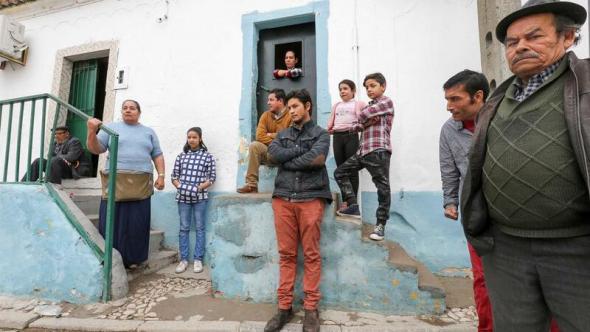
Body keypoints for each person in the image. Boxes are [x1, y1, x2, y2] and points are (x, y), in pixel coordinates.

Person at [460, 0, 590, 330]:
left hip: (576, 248)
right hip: (506, 249)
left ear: (568, 37)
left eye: (534, 36)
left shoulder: (586, 85)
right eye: (513, 42)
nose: (522, 47)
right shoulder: (496, 101)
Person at [264, 89, 331, 332]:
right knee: (286, 255)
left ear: (308, 106)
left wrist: (287, 158)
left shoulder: (322, 134)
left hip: (311, 198)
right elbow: (272, 156)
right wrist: (299, 152)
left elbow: (318, 160)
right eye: (289, 107)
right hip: (283, 198)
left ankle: (311, 309)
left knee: (311, 254)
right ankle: (284, 308)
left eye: (295, 106)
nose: (291, 111)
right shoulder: (282, 134)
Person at [439, 70, 493, 332]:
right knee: (482, 279)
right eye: (447, 99)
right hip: (476, 215)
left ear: (478, 96)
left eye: (455, 99)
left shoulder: (501, 119)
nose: (449, 106)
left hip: (509, 213)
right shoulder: (449, 130)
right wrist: (450, 201)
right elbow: (449, 169)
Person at [86, 99, 165, 268]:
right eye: (125, 108)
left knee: (137, 223)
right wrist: (91, 131)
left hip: (141, 184)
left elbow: (157, 154)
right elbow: (95, 149)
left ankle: (134, 259)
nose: (128, 110)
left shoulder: (148, 132)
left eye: (132, 108)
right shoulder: (111, 128)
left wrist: (162, 176)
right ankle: (110, 258)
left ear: (139, 112)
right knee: (113, 221)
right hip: (116, 182)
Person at [334, 72, 394, 241]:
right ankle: (352, 204)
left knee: (383, 189)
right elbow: (355, 125)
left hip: (379, 149)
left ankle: (380, 226)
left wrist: (363, 120)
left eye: (373, 86)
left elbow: (361, 117)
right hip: (363, 151)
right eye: (367, 87)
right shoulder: (368, 106)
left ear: (383, 86)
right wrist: (364, 121)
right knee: (340, 172)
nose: (369, 89)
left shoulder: (386, 102)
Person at [172, 127, 216, 274]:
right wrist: (182, 187)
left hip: (200, 198)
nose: (191, 139)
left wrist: (198, 188)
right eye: (189, 137)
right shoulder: (181, 156)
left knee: (200, 228)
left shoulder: (207, 157)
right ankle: (183, 260)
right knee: (184, 228)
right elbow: (174, 177)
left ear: (200, 139)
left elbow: (211, 178)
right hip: (183, 198)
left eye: (194, 137)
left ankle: (198, 259)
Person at [236, 89, 291, 193]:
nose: (268, 103)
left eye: (271, 100)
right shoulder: (266, 115)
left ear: (280, 101)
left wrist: (271, 134)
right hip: (270, 154)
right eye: (268, 100)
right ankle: (251, 185)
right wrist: (278, 137)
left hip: (284, 155)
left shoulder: (290, 115)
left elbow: (290, 138)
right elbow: (259, 136)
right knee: (254, 145)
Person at [327, 79, 366, 209]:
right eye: (340, 89)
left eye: (345, 89)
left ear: (353, 91)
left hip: (351, 136)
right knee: (340, 170)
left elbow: (365, 119)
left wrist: (359, 127)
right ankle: (346, 201)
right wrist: (330, 128)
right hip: (338, 137)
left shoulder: (358, 104)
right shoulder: (337, 105)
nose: (342, 91)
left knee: (352, 170)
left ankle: (353, 203)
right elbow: (331, 120)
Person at [21, 125, 90, 184]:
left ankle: (53, 185)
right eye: (55, 134)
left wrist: (57, 157)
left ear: (67, 134)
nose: (56, 136)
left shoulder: (74, 142)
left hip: (72, 171)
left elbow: (71, 157)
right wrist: (56, 158)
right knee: (39, 161)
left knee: (55, 160)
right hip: (57, 168)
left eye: (59, 134)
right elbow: (49, 157)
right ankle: (25, 183)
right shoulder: (54, 144)